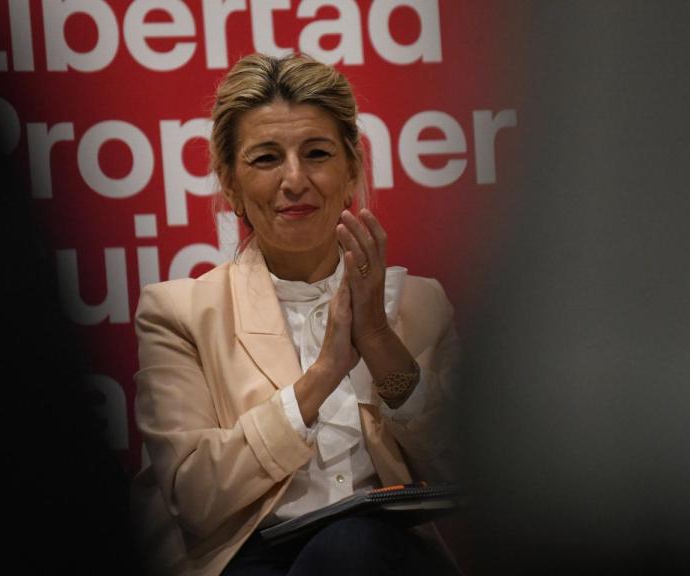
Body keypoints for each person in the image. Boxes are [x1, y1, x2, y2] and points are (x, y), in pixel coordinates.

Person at [131, 53, 459, 575]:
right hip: (246, 559)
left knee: (354, 549)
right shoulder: (179, 313)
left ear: (351, 169)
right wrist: (323, 375)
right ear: (230, 184)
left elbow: (466, 469)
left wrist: (376, 336)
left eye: (317, 153)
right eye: (265, 158)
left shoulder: (422, 304)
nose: (294, 179)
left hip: (385, 559)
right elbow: (193, 496)